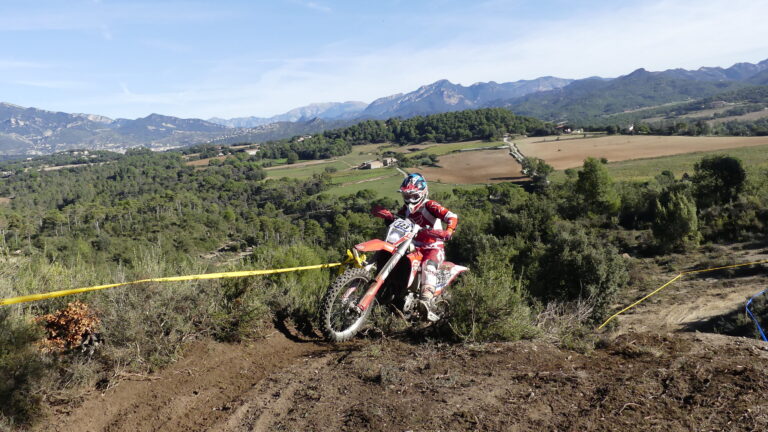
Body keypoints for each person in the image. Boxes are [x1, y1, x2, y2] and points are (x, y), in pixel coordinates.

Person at [371, 173, 458, 319]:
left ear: (422, 193)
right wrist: (388, 217)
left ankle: (426, 301)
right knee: (392, 253)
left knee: (428, 266)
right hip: (412, 244)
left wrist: (448, 230)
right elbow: (397, 221)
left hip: (433, 246)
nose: (409, 199)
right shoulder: (406, 209)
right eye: (406, 196)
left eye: (413, 196)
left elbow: (451, 216)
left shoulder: (430, 205)